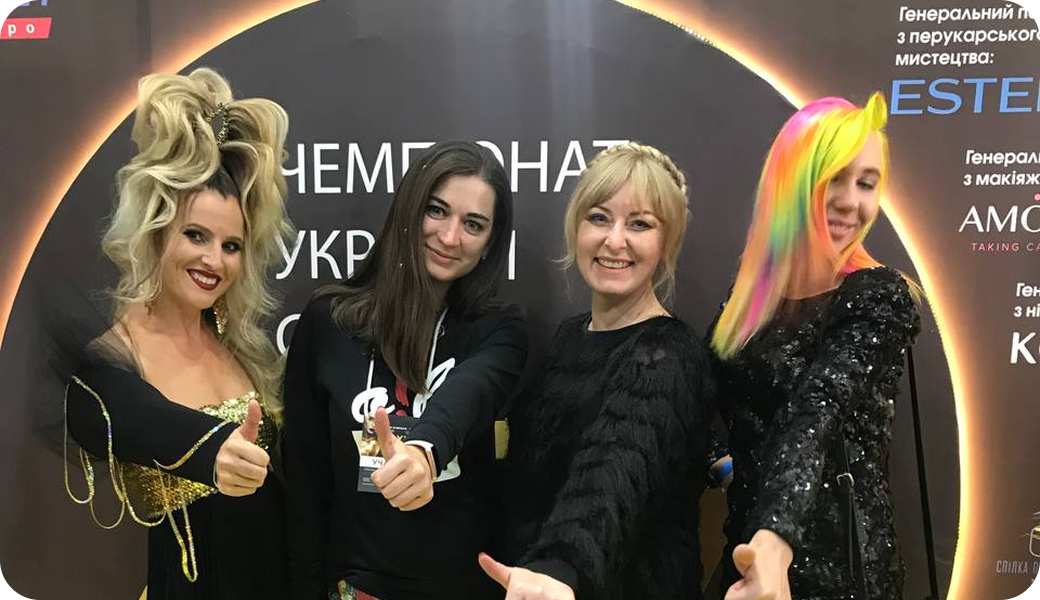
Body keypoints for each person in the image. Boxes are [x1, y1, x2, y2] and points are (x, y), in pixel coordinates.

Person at [62, 67, 294, 598]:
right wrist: (212, 452)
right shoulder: (111, 361)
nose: (214, 260)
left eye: (231, 246)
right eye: (195, 235)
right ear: (156, 231)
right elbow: (112, 416)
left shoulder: (239, 348)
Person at [282, 140, 529, 600]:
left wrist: (423, 452)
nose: (450, 237)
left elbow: (470, 394)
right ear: (410, 208)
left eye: (473, 224)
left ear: (490, 243)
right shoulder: (329, 320)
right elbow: (305, 479)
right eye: (437, 211)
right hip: (357, 586)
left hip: (462, 585)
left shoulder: (499, 330)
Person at [709, 93, 921, 600]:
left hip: (839, 575)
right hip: (747, 563)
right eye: (833, 178)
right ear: (792, 185)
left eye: (866, 183)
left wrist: (775, 537)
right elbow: (707, 405)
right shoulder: (747, 302)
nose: (851, 201)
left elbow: (816, 410)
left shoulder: (878, 296)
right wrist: (723, 464)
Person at [483, 143, 715, 600]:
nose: (614, 240)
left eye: (640, 224)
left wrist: (559, 567)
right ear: (576, 227)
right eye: (599, 217)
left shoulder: (667, 353)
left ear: (666, 243)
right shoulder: (569, 336)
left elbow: (611, 477)